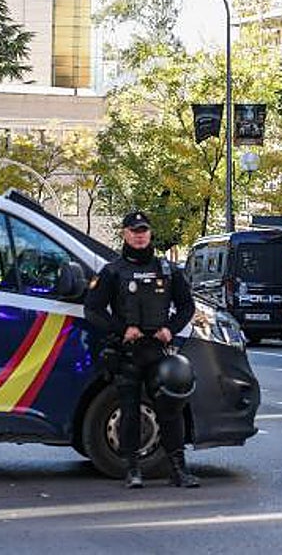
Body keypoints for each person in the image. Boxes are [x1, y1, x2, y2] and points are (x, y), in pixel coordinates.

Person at [84, 209, 199, 489]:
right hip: (128, 352)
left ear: (150, 234)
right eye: (134, 232)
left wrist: (170, 329)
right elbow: (93, 309)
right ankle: (133, 470)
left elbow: (187, 306)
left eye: (144, 231)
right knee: (130, 412)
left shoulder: (168, 270)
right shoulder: (113, 271)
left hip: (159, 352)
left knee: (170, 411)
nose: (139, 236)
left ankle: (178, 469)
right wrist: (121, 330)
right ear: (125, 234)